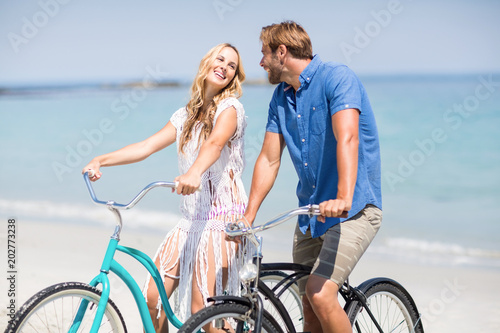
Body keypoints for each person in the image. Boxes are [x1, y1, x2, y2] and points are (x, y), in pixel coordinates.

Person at [82, 43, 247, 332]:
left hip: (222, 220)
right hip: (191, 220)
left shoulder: (230, 108)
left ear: (234, 77)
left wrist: (194, 172)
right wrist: (101, 160)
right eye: (220, 59)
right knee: (152, 299)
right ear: (207, 63)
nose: (224, 66)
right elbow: (146, 146)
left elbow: (215, 143)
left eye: (232, 65)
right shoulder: (185, 115)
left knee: (204, 313)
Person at [242, 21, 383, 333]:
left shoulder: (337, 77)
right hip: (311, 214)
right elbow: (269, 158)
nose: (261, 62)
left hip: (355, 209)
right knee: (307, 303)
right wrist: (248, 216)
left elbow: (347, 138)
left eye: (264, 53)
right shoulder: (280, 98)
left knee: (320, 293)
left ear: (282, 52)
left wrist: (344, 197)